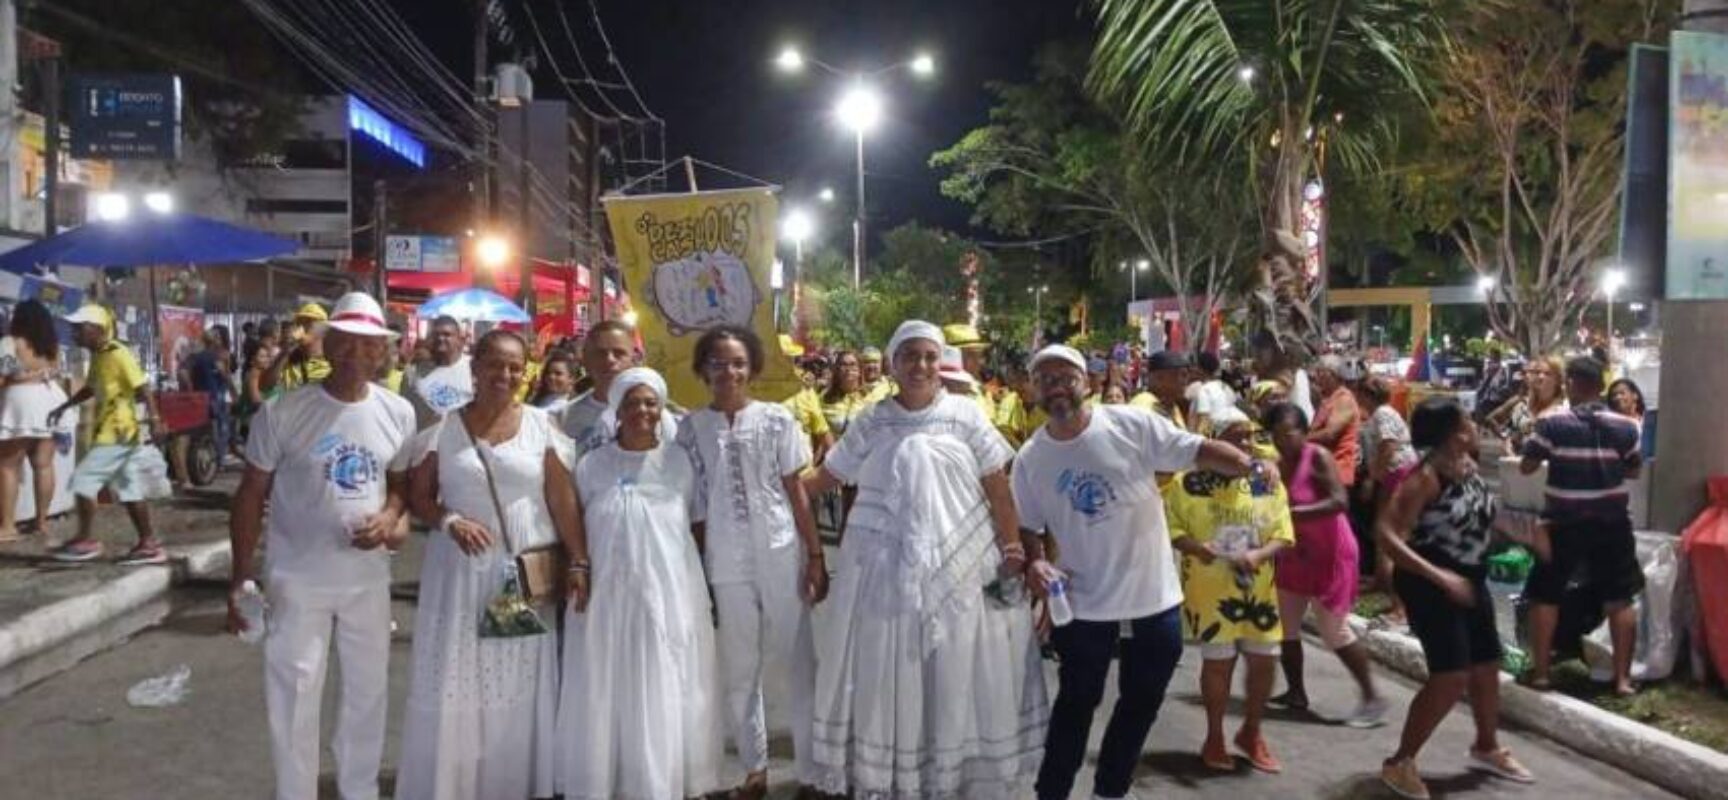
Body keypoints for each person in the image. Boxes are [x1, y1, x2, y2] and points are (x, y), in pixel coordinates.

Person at [801, 320, 1047, 798]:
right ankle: (898, 772)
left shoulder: (966, 414)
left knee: (956, 664)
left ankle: (949, 769)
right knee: (893, 665)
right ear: (893, 364)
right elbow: (826, 478)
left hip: (963, 564)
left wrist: (1014, 547)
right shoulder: (873, 419)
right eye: (909, 355)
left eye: (929, 356)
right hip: (884, 570)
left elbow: (998, 487)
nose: (920, 365)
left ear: (941, 362)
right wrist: (781, 480)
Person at [1012, 344, 1253, 800]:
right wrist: (1036, 560)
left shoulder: (1131, 424)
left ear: (1089, 382)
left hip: (1153, 599)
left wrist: (1248, 463)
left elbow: (1196, 449)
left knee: (1141, 703)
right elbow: (1028, 527)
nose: (1056, 386)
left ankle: (1110, 791)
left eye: (1066, 376)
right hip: (1084, 604)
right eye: (1044, 379)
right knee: (1076, 705)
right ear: (1032, 390)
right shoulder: (1031, 458)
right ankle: (1052, 792)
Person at [227, 293, 416, 800]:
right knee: (293, 693)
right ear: (327, 345)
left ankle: (358, 790)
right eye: (347, 342)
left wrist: (390, 516)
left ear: (383, 352)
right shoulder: (283, 413)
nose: (357, 353)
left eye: (369, 345)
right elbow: (250, 495)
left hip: (367, 580)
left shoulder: (398, 413)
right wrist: (241, 574)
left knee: (367, 691)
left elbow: (400, 484)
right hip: (297, 579)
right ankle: (296, 793)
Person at [397, 329, 582, 800]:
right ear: (474, 366)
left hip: (520, 575)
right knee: (459, 676)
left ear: (526, 372)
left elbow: (561, 501)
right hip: (460, 572)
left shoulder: (543, 427)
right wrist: (450, 520)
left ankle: (511, 783)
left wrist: (578, 560)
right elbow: (419, 495)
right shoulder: (444, 429)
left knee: (516, 677)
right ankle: (457, 784)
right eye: (495, 364)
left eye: (515, 367)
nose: (505, 375)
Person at [676, 327, 828, 798]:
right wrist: (700, 567)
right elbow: (696, 505)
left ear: (753, 367)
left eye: (738, 362)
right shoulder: (689, 429)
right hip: (726, 558)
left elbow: (796, 490)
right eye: (718, 363)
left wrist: (816, 555)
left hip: (782, 549)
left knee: (799, 659)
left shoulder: (777, 420)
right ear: (703, 370)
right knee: (739, 668)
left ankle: (812, 771)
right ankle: (753, 770)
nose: (729, 371)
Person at [558, 367, 723, 799]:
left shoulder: (679, 461)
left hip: (669, 595)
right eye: (632, 403)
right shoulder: (592, 465)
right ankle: (607, 779)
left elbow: (697, 524)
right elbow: (575, 524)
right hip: (607, 598)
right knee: (607, 678)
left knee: (664, 677)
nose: (642, 411)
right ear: (617, 410)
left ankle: (658, 780)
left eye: (650, 402)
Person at [1377, 397, 1534, 799]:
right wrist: (1441, 577)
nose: (1474, 424)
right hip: (1432, 584)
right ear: (1452, 432)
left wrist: (1528, 535)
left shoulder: (1467, 466)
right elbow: (1388, 535)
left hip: (1470, 580)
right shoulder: (1426, 477)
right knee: (1450, 676)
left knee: (1486, 665)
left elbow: (1480, 515)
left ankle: (1486, 745)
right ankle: (1400, 762)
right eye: (1466, 420)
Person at [1165, 407, 1292, 774]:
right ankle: (1215, 735)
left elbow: (1283, 533)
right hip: (1210, 587)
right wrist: (1197, 548)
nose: (1246, 444)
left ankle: (1251, 733)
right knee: (1217, 663)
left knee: (1264, 662)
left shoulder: (1263, 480)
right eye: (1236, 437)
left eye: (1250, 436)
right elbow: (1172, 528)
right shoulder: (1186, 483)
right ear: (1214, 442)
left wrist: (1259, 554)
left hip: (1258, 591)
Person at [1520, 356, 1644, 696]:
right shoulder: (1625, 427)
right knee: (1620, 598)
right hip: (1612, 523)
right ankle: (1622, 680)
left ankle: (1543, 674)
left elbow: (1527, 467)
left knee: (1546, 595)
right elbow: (1634, 470)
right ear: (1601, 385)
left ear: (1571, 383)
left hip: (1564, 522)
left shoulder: (1552, 424)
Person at [1261, 403, 1386, 726]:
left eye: (1289, 434)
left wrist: (1288, 515)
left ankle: (1372, 696)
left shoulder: (1317, 457)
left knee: (1334, 630)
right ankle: (1296, 692)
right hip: (1294, 554)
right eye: (1275, 436)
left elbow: (1337, 501)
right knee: (1286, 625)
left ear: (1304, 432)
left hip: (1330, 553)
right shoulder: (1275, 465)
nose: (1283, 442)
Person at [48, 305, 171, 564]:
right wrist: (64, 406)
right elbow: (92, 388)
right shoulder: (100, 355)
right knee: (126, 488)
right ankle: (146, 543)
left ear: (97, 329)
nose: (74, 334)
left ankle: (87, 540)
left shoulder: (118, 353)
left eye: (79, 328)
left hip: (118, 432)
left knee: (85, 481)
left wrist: (156, 419)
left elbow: (143, 386)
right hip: (111, 431)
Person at [0, 300, 67, 540]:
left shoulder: (11, 343)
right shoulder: (51, 345)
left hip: (21, 403)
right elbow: (57, 370)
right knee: (44, 464)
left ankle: (8, 527)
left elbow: (1, 377)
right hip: (50, 400)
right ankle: (41, 521)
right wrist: (36, 374)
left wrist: (14, 380)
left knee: (8, 465)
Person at [558, 320, 637, 458]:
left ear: (633, 359)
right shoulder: (564, 418)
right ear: (586, 360)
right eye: (600, 353)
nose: (610, 360)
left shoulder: (655, 414)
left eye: (619, 353)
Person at [180, 325, 240, 468]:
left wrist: (190, 389)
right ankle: (220, 461)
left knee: (202, 431)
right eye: (217, 338)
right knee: (222, 430)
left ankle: (205, 461)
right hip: (216, 398)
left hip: (199, 399)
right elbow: (225, 376)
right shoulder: (215, 357)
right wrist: (234, 393)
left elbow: (182, 374)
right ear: (214, 341)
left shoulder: (193, 357)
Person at [401, 315, 474, 430]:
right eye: (436, 335)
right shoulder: (413, 371)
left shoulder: (474, 368)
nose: (440, 338)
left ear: (459, 339)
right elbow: (404, 412)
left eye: (447, 334)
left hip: (461, 443)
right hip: (423, 443)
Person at [1486, 355, 1565, 454]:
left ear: (1558, 380)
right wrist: (1506, 439)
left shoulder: (1565, 408)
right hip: (1521, 463)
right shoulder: (1521, 406)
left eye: (1547, 373)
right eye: (1536, 372)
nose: (1540, 376)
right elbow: (1511, 432)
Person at [1307, 354, 1361, 493]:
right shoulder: (1328, 399)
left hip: (1337, 471)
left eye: (1320, 372)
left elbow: (1330, 434)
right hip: (1324, 470)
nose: (1316, 376)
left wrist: (1302, 439)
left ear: (1332, 374)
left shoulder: (1344, 398)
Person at [266, 303, 334, 393]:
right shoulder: (294, 355)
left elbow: (280, 382)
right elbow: (268, 385)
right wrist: (285, 352)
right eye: (299, 323)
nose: (302, 328)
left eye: (309, 323)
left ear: (322, 329)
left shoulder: (329, 359)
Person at [1131, 350, 1191, 429]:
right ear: (1157, 378)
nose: (1185, 381)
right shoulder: (1144, 404)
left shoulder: (1172, 407)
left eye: (1186, 375)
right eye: (1181, 375)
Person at [820, 349, 868, 438]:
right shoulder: (824, 398)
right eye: (843, 364)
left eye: (853, 364)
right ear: (837, 370)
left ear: (860, 369)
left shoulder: (869, 398)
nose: (848, 369)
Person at [1187, 351, 1238, 435]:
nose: (1192, 369)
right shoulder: (1227, 388)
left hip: (1202, 439)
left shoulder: (1196, 389)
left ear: (1200, 369)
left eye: (1195, 366)